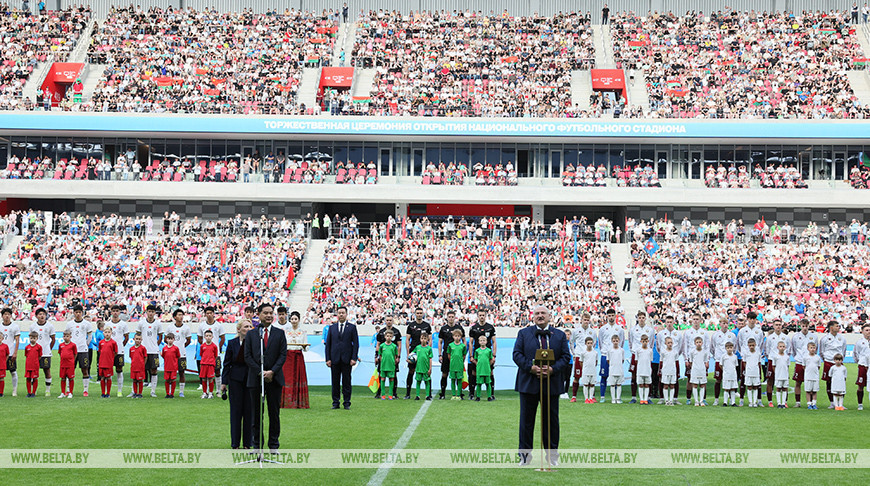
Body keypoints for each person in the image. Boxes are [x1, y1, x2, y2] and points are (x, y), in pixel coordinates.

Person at [514, 305, 570, 467]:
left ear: (549, 316)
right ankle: (524, 457)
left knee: (551, 422)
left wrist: (552, 369)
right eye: (537, 313)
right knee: (526, 422)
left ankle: (552, 457)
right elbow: (517, 355)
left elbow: (566, 357)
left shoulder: (559, 335)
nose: (540, 316)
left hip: (551, 385)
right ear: (533, 317)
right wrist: (531, 368)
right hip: (528, 383)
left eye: (543, 313)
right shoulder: (523, 334)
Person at [244, 303, 287, 451]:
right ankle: (257, 445)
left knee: (274, 413)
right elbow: (247, 356)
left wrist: (272, 372)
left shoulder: (279, 333)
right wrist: (261, 372)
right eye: (266, 313)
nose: (269, 315)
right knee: (256, 414)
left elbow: (282, 355)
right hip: (255, 380)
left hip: (274, 379)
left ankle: (274, 444)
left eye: (271, 313)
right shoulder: (252, 334)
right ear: (259, 314)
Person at [222, 319, 253, 449]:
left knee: (249, 412)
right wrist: (224, 382)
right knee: (235, 412)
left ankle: (248, 443)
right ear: (239, 329)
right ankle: (235, 443)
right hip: (235, 380)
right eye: (246, 326)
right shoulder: (232, 343)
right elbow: (226, 363)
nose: (249, 328)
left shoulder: (255, 343)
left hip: (251, 380)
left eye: (251, 326)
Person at [325, 306, 358, 410]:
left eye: (343, 313)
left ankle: (347, 402)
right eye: (339, 313)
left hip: (347, 359)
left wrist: (354, 358)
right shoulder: (332, 328)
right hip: (334, 359)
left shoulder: (352, 327)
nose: (341, 315)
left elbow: (356, 344)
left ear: (346, 314)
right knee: (335, 382)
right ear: (337, 314)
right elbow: (328, 345)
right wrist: (328, 359)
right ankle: (335, 402)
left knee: (346, 381)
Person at [281, 310, 310, 409]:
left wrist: (303, 346)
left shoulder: (303, 332)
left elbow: (306, 348)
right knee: (287, 378)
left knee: (298, 377)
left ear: (299, 320)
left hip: (298, 356)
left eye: (295, 319)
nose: (294, 321)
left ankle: (298, 401)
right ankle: (287, 402)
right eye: (292, 319)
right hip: (288, 357)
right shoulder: (285, 332)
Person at [789, 318, 818, 408]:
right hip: (799, 361)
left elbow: (816, 349)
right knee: (798, 382)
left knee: (812, 383)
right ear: (800, 326)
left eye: (806, 326)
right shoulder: (795, 337)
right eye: (803, 326)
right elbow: (793, 349)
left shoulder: (814, 336)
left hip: (810, 362)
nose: (805, 328)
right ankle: (798, 402)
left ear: (809, 326)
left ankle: (811, 402)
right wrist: (797, 358)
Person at [404, 307, 432, 399]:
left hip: (424, 352)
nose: (419, 314)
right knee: (411, 371)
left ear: (423, 314)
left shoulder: (427, 326)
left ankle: (429, 394)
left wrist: (428, 350)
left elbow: (430, 339)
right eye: (418, 313)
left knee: (426, 372)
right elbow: (407, 340)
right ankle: (408, 393)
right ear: (415, 314)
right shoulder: (411, 326)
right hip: (414, 352)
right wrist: (408, 354)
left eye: (421, 313)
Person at [468, 309, 495, 399]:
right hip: (477, 354)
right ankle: (472, 393)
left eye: (483, 315)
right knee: (474, 373)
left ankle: (491, 394)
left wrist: (494, 355)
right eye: (480, 315)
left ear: (486, 316)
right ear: (478, 316)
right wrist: (471, 356)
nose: (482, 317)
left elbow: (494, 342)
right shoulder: (474, 328)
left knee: (490, 373)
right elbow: (471, 342)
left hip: (487, 355)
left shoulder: (490, 327)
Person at [819, 320, 846, 409]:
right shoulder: (825, 339)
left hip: (839, 363)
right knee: (829, 381)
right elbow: (822, 351)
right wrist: (827, 359)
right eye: (837, 326)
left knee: (841, 381)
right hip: (828, 361)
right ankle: (832, 402)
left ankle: (840, 403)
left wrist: (840, 360)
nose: (838, 327)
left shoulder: (842, 338)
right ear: (831, 328)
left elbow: (844, 350)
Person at [137, 305, 162, 397]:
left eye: (152, 312)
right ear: (146, 312)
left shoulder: (158, 324)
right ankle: (138, 391)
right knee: (141, 369)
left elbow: (160, 337)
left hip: (154, 351)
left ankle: (153, 391)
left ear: (155, 313)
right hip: (143, 351)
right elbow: (138, 335)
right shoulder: (141, 323)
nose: (150, 313)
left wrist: (155, 345)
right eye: (149, 311)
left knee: (154, 370)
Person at [710, 318, 736, 406]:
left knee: (730, 380)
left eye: (726, 323)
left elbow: (735, 347)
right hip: (719, 360)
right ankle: (716, 399)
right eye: (723, 323)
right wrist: (717, 356)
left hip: (729, 361)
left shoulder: (732, 335)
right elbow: (712, 347)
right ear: (720, 324)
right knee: (718, 380)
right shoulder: (715, 335)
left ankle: (730, 400)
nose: (725, 325)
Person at [628, 311, 654, 403]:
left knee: (647, 375)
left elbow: (652, 343)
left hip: (646, 354)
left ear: (645, 319)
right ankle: (634, 397)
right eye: (640, 318)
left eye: (643, 318)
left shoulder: (650, 330)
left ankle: (647, 398)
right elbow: (630, 342)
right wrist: (633, 351)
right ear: (637, 319)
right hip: (636, 354)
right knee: (634, 375)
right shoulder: (633, 329)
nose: (641, 319)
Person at [67, 305, 93, 397]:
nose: (78, 314)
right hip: (72, 351)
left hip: (83, 350)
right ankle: (68, 390)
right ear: (73, 313)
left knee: (84, 369)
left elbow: (90, 335)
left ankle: (85, 390)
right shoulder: (70, 324)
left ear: (82, 313)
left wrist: (86, 343)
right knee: (70, 370)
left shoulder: (87, 324)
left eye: (79, 312)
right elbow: (67, 335)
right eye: (76, 312)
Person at [438, 310, 464, 399]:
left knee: (458, 375)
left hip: (457, 355)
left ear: (455, 317)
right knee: (444, 373)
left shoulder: (459, 328)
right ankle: (443, 393)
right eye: (449, 317)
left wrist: (463, 354)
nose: (451, 318)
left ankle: (459, 394)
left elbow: (464, 341)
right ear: (447, 318)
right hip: (446, 354)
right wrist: (439, 355)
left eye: (453, 317)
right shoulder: (443, 329)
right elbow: (440, 342)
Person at [597, 309, 622, 401]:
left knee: (616, 376)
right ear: (607, 316)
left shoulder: (619, 329)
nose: (611, 317)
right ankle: (602, 397)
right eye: (609, 315)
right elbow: (600, 342)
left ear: (615, 316)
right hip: (605, 354)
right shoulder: (603, 329)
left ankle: (616, 397)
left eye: (612, 315)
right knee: (604, 376)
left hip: (615, 356)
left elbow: (621, 342)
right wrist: (604, 351)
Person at [375, 314, 402, 399]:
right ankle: (379, 393)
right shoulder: (381, 332)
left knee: (394, 375)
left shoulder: (397, 331)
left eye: (390, 320)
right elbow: (378, 344)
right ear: (385, 321)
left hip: (392, 358)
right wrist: (376, 356)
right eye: (387, 320)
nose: (389, 321)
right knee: (381, 375)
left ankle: (394, 393)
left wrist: (398, 357)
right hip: (383, 359)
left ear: (393, 321)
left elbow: (399, 345)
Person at [199, 306, 226, 390]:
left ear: (214, 314)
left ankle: (218, 390)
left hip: (215, 354)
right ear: (205, 314)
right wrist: (205, 347)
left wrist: (218, 347)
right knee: (205, 373)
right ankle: (206, 391)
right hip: (205, 355)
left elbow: (223, 338)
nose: (209, 315)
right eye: (207, 313)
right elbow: (199, 338)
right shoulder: (202, 325)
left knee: (217, 371)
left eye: (211, 313)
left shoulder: (218, 325)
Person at [167, 309, 192, 398]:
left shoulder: (186, 328)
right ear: (174, 317)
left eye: (182, 315)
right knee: (170, 373)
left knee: (182, 372)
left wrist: (182, 346)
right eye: (179, 315)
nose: (181, 316)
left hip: (182, 354)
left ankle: (181, 392)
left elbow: (188, 340)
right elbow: (166, 339)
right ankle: (169, 391)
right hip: (171, 356)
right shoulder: (170, 327)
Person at [656, 315, 681, 404]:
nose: (669, 324)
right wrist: (664, 354)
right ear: (665, 323)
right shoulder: (661, 334)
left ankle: (674, 399)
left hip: (674, 359)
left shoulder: (678, 333)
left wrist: (675, 355)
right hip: (664, 358)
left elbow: (680, 347)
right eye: (668, 322)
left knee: (675, 379)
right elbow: (658, 346)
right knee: (661, 378)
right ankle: (662, 398)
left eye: (671, 322)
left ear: (674, 322)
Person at [106, 305, 129, 398]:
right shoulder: (108, 324)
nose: (115, 313)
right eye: (113, 311)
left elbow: (126, 337)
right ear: (111, 312)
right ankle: (108, 391)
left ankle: (119, 391)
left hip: (119, 351)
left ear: (119, 312)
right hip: (109, 352)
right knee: (109, 370)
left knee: (119, 370)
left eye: (117, 311)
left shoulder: (123, 324)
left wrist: (121, 346)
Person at [0, 309, 20, 397]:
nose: (7, 316)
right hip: (1, 354)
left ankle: (14, 390)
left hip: (10, 353)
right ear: (2, 316)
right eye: (5, 314)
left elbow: (17, 340)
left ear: (11, 316)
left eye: (8, 314)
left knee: (13, 371)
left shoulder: (15, 326)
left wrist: (15, 352)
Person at [573, 337, 598, 403]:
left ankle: (590, 398)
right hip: (586, 371)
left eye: (591, 343)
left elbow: (596, 362)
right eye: (588, 343)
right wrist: (584, 368)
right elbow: (581, 362)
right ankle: (586, 398)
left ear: (593, 344)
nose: (590, 344)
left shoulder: (595, 353)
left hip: (593, 371)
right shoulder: (583, 353)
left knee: (592, 384)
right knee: (586, 384)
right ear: (585, 344)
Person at [472, 335, 495, 401]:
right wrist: (478, 365)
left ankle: (489, 396)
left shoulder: (489, 351)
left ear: (486, 341)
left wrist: (488, 365)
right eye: (481, 341)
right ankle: (478, 397)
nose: (482, 342)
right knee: (479, 383)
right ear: (479, 342)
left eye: (484, 340)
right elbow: (475, 360)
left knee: (488, 383)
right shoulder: (477, 351)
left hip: (487, 370)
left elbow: (491, 359)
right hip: (479, 370)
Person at [412, 332, 433, 400]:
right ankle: (417, 395)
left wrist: (430, 368)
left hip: (426, 368)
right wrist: (409, 360)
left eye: (425, 338)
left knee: (427, 382)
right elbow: (412, 355)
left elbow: (430, 359)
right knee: (418, 381)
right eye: (422, 338)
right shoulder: (417, 347)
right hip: (418, 368)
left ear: (427, 339)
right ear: (420, 339)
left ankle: (427, 395)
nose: (423, 340)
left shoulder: (429, 349)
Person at [378, 330, 399, 400]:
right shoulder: (382, 346)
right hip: (383, 366)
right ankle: (383, 394)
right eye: (387, 336)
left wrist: (394, 362)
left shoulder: (394, 346)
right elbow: (380, 355)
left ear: (392, 337)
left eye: (390, 336)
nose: (389, 337)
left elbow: (396, 356)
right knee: (383, 379)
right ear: (385, 337)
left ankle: (390, 394)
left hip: (391, 366)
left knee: (391, 379)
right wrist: (382, 362)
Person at [98, 328, 118, 398]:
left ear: (111, 333)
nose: (107, 334)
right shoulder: (101, 342)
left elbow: (115, 352)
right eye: (105, 332)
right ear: (103, 333)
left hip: (109, 363)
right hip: (102, 363)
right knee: (102, 377)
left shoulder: (113, 343)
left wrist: (110, 358)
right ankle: (103, 393)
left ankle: (108, 393)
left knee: (108, 377)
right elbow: (100, 351)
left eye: (108, 332)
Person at [743, 338, 763, 408]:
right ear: (748, 345)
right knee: (749, 387)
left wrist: (759, 373)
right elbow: (744, 362)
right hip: (748, 372)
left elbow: (759, 363)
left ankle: (754, 402)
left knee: (755, 387)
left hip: (756, 372)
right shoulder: (746, 353)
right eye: (750, 345)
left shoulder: (758, 353)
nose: (751, 347)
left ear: (755, 345)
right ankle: (750, 402)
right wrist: (748, 369)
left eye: (753, 345)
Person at [854, 323, 870, 411]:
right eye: (866, 330)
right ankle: (860, 404)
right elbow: (855, 354)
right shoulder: (860, 342)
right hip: (863, 365)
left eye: (869, 330)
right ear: (863, 332)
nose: (868, 332)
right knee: (860, 385)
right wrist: (860, 363)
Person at [660, 337, 679, 406]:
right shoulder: (663, 352)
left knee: (672, 386)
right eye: (668, 343)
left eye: (671, 342)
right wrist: (660, 370)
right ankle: (666, 400)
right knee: (665, 385)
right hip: (665, 370)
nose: (670, 344)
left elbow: (676, 362)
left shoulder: (675, 352)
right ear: (665, 343)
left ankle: (671, 400)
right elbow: (661, 361)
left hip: (672, 370)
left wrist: (677, 371)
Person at [200, 330, 219, 399]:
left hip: (210, 364)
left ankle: (211, 393)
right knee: (204, 379)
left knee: (210, 379)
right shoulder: (202, 346)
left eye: (210, 336)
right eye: (207, 336)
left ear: (212, 337)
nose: (208, 337)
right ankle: (205, 393)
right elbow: (201, 354)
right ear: (204, 337)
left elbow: (215, 355)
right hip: (203, 364)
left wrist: (211, 361)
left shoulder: (214, 346)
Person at [57, 330, 77, 398]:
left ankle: (70, 392)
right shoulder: (61, 345)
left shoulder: (73, 345)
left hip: (70, 365)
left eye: (67, 336)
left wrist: (71, 360)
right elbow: (60, 353)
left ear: (70, 337)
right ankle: (62, 392)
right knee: (63, 378)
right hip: (63, 364)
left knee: (70, 378)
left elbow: (75, 354)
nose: (66, 337)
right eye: (64, 336)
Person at [448, 329, 466, 399]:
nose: (457, 337)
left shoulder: (463, 346)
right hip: (452, 365)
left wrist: (461, 361)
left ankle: (458, 395)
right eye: (456, 336)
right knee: (452, 380)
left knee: (459, 380)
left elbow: (464, 355)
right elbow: (449, 355)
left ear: (461, 337)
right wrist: (452, 361)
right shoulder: (450, 345)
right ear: (453, 337)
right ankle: (453, 395)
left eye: (458, 336)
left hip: (459, 366)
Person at [635, 335, 653, 404]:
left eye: (646, 341)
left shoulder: (650, 350)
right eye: (643, 341)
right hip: (640, 370)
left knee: (646, 384)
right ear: (641, 341)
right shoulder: (638, 350)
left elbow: (650, 360)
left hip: (647, 370)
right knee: (641, 384)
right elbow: (636, 360)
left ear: (648, 341)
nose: (645, 343)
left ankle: (645, 399)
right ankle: (641, 399)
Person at [804, 342, 822, 410]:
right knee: (808, 391)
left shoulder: (817, 357)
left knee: (814, 391)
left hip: (815, 377)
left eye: (814, 348)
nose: (812, 349)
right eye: (811, 348)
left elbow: (818, 366)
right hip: (808, 377)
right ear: (808, 348)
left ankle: (814, 403)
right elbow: (804, 366)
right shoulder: (806, 357)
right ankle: (809, 404)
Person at [607, 334, 625, 404]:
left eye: (616, 341)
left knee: (619, 384)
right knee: (612, 384)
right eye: (614, 341)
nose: (615, 342)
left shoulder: (622, 350)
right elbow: (608, 360)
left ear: (619, 341)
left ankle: (618, 398)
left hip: (619, 369)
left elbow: (622, 360)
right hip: (612, 369)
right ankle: (613, 399)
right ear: (612, 341)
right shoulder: (609, 350)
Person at [162, 333, 180, 398]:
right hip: (167, 367)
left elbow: (178, 356)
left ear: (174, 339)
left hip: (173, 367)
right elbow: (163, 356)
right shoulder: (164, 348)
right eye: (168, 339)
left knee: (173, 380)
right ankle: (167, 393)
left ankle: (172, 393)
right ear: (166, 340)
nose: (170, 340)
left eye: (171, 339)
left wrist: (174, 363)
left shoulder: (176, 348)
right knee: (167, 380)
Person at [772, 341, 790, 408]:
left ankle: (783, 403)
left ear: (785, 347)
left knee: (785, 388)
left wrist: (787, 374)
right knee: (778, 388)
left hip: (785, 375)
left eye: (783, 346)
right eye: (780, 346)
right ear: (777, 347)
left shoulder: (787, 357)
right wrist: (776, 373)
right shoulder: (775, 356)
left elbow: (787, 366)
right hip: (778, 375)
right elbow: (774, 366)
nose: (782, 348)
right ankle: (779, 403)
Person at [129, 332, 147, 398]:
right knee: (134, 380)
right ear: (133, 339)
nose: (138, 340)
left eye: (139, 339)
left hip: (140, 367)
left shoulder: (143, 348)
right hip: (134, 367)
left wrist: (142, 364)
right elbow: (131, 357)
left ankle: (140, 393)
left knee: (140, 380)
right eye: (137, 339)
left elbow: (145, 357)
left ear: (141, 340)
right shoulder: (131, 349)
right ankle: (135, 393)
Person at [721, 342, 739, 406]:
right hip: (726, 375)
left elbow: (736, 365)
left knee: (733, 388)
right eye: (728, 348)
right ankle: (725, 402)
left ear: (733, 348)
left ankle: (733, 402)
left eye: (731, 348)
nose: (729, 349)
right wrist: (725, 370)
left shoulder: (735, 357)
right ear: (726, 348)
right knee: (726, 388)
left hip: (733, 374)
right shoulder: (723, 356)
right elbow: (721, 365)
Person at [25, 332, 42, 397]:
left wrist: (35, 362)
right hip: (28, 365)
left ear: (37, 338)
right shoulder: (27, 347)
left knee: (34, 378)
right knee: (28, 378)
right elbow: (26, 355)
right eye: (31, 338)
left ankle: (33, 392)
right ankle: (29, 392)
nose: (32, 339)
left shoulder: (39, 347)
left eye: (34, 338)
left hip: (35, 365)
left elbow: (40, 356)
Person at [0, 331, 7, 397]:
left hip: (2, 365)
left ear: (2, 338)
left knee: (1, 378)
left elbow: (7, 354)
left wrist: (4, 361)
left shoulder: (5, 346)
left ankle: (1, 392)